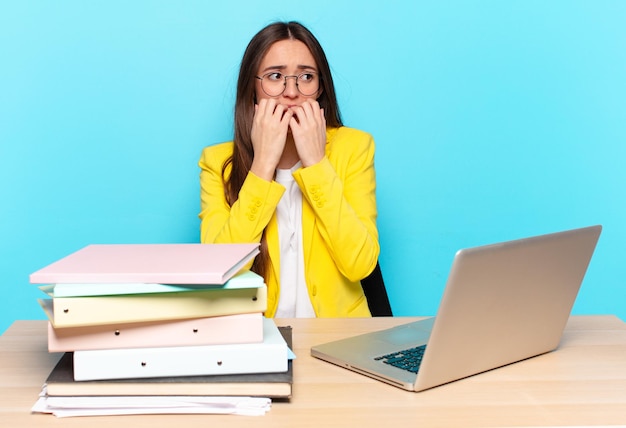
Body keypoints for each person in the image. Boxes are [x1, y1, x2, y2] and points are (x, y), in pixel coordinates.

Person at [198, 21, 379, 317]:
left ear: (320, 88)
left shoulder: (354, 147)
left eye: (306, 76)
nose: (291, 92)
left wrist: (317, 165)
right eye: (275, 76)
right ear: (252, 89)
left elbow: (360, 264)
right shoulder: (217, 162)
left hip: (339, 339)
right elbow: (220, 271)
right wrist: (262, 166)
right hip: (255, 337)